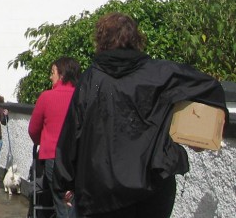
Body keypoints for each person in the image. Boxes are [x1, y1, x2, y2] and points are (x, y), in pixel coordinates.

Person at [53, 12, 227, 218]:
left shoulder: (91, 79)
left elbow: (72, 133)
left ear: (100, 40)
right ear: (136, 38)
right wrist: (201, 134)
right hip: (152, 187)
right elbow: (211, 87)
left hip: (100, 191)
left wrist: (63, 181)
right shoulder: (160, 73)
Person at [28, 56, 81, 217]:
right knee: (75, 201)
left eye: (53, 72)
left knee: (61, 202)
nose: (51, 77)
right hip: (79, 157)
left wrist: (42, 142)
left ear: (62, 74)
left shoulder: (47, 97)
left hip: (54, 157)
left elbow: (33, 129)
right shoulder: (82, 96)